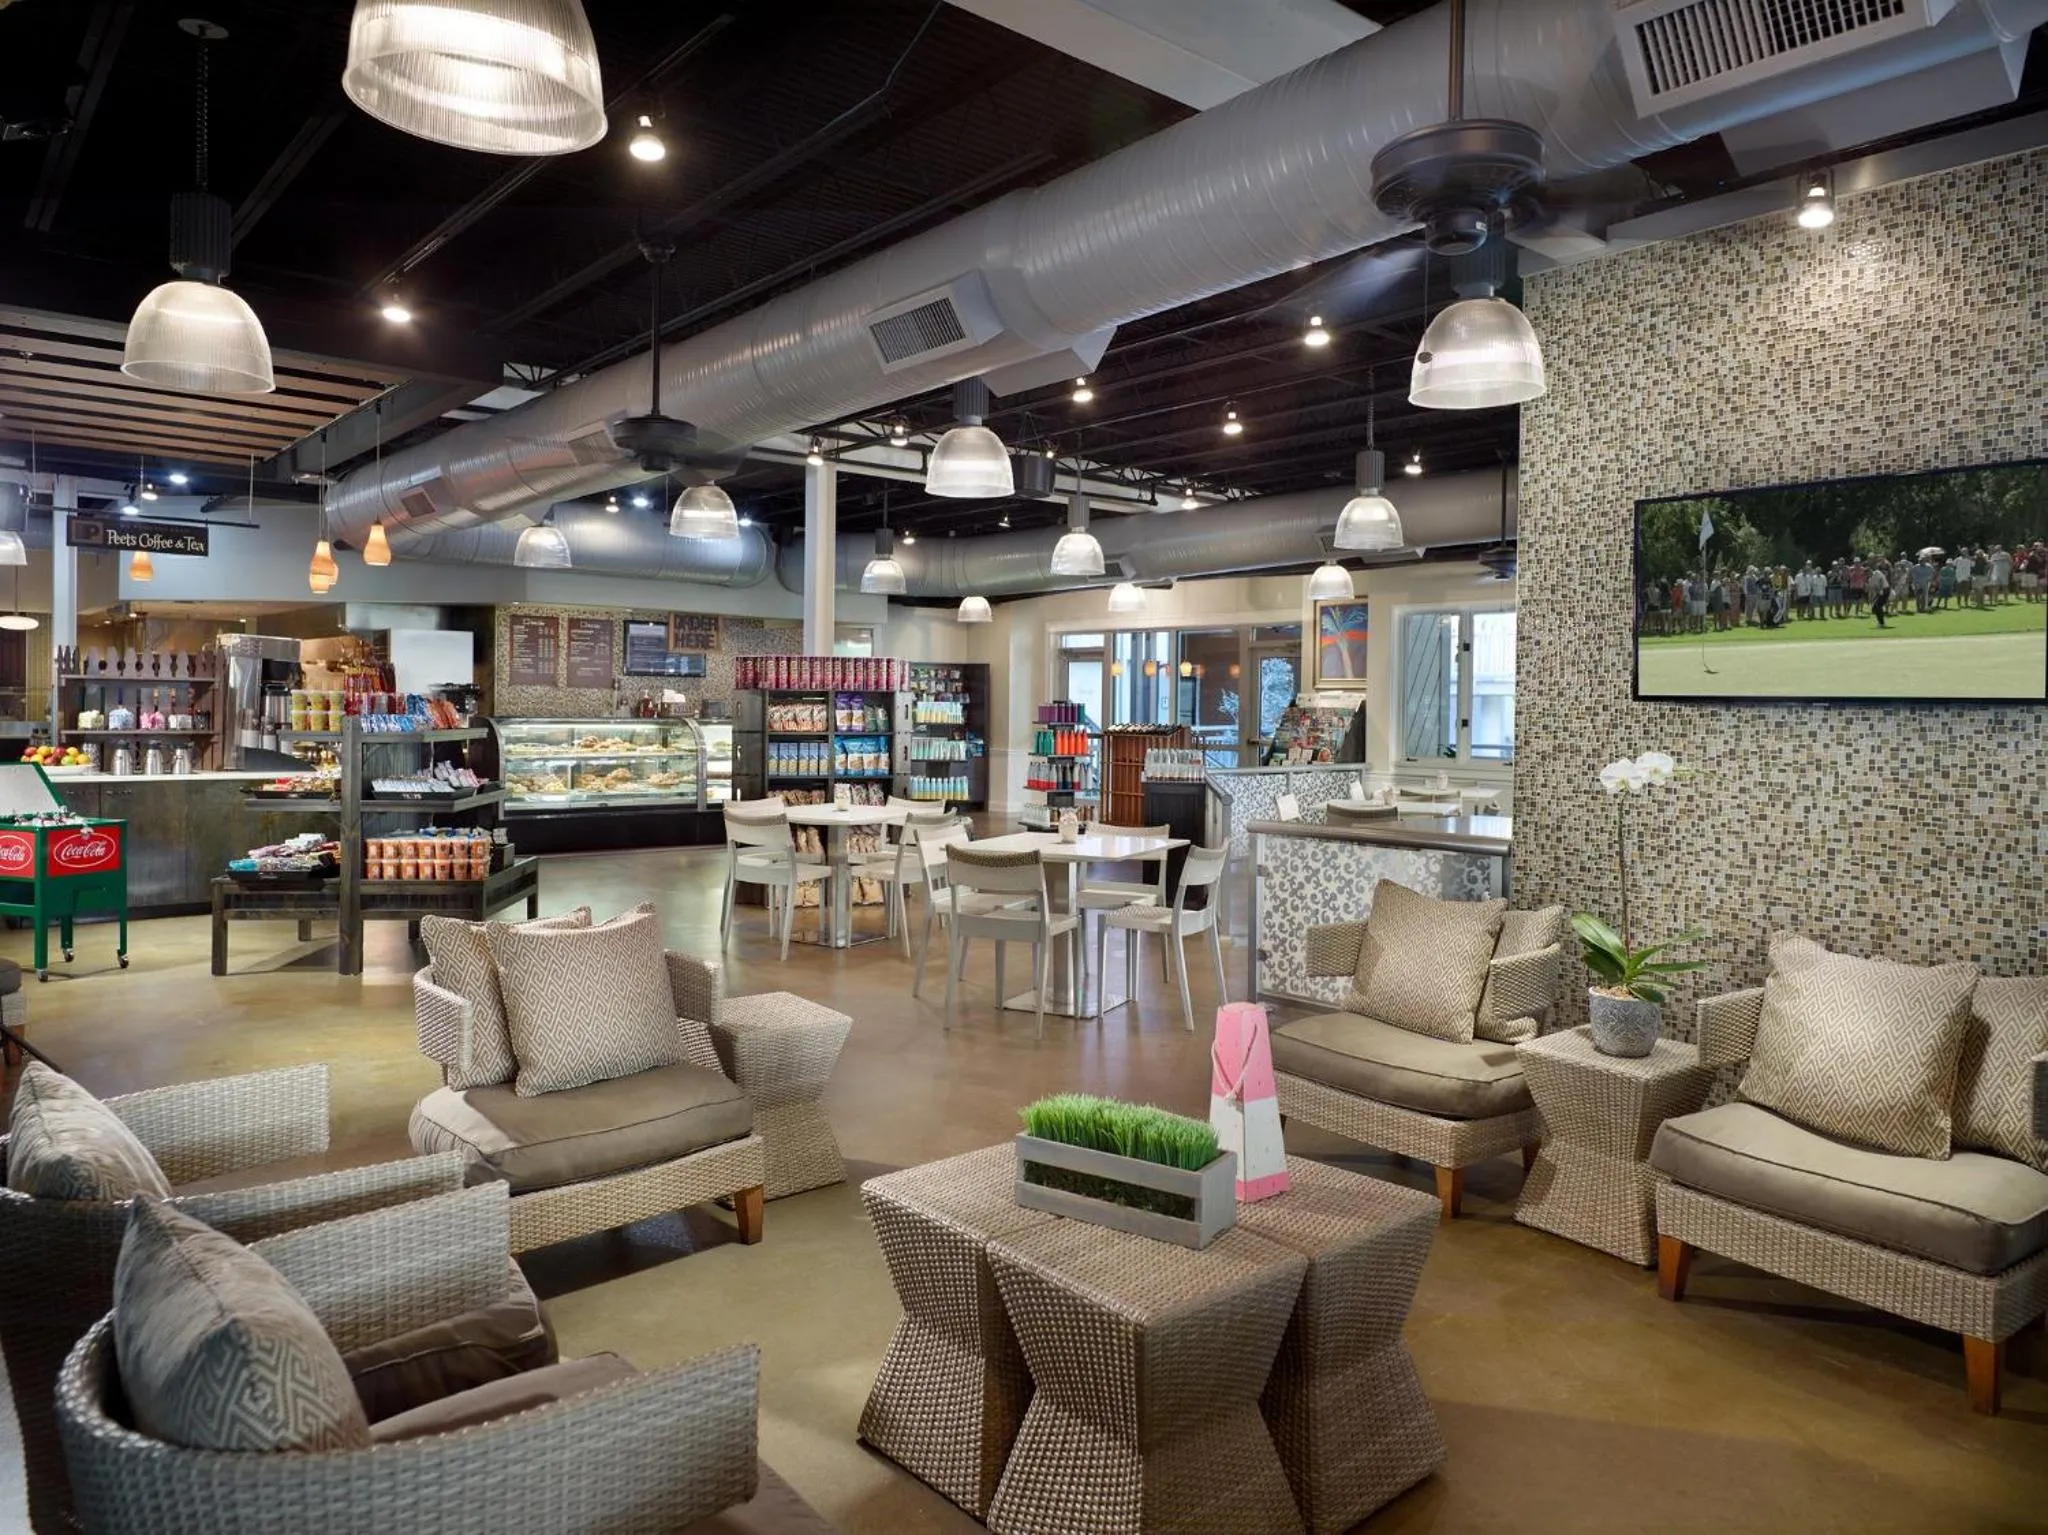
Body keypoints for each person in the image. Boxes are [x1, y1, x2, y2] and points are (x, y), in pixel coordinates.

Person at [1868, 561, 1891, 628]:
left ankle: (1882, 623)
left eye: (1869, 572)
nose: (1868, 574)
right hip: (1880, 592)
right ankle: (1881, 622)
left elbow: (1881, 581)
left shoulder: (1877, 572)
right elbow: (1874, 588)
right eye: (1867, 574)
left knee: (1877, 606)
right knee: (1875, 608)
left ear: (1871, 571)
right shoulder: (1870, 579)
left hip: (1885, 590)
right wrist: (1872, 598)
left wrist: (1880, 590)